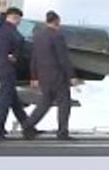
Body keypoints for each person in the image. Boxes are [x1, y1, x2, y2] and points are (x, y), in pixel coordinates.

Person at [22, 11, 75, 140]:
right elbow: (63, 58)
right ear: (57, 21)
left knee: (44, 103)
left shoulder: (38, 37)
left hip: (43, 76)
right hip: (58, 76)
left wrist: (34, 76)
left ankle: (28, 126)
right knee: (64, 103)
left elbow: (34, 58)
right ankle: (62, 132)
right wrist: (71, 75)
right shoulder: (58, 36)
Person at [0, 7, 35, 140]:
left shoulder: (4, 28)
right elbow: (6, 46)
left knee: (14, 101)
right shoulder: (7, 31)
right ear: (14, 17)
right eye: (19, 19)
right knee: (4, 101)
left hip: (6, 67)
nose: (20, 22)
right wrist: (11, 56)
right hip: (7, 67)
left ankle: (28, 127)